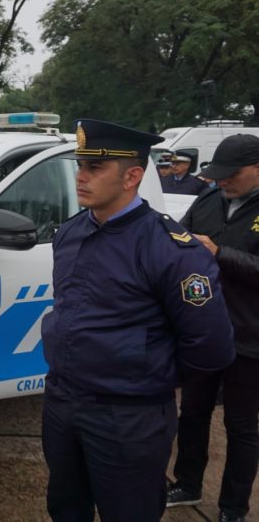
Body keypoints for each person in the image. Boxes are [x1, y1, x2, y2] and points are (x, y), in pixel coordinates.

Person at [41, 119, 235, 522]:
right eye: (79, 165)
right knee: (65, 507)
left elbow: (211, 347)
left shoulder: (171, 250)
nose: (80, 177)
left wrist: (146, 377)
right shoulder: (71, 233)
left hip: (127, 417)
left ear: (132, 176)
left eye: (95, 168)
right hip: (62, 402)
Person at [166, 134, 259, 522]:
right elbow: (181, 236)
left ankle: (233, 508)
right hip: (204, 329)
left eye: (231, 174)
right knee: (193, 412)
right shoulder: (207, 199)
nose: (223, 181)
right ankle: (187, 483)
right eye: (218, 174)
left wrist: (220, 253)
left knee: (240, 426)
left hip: (249, 337)